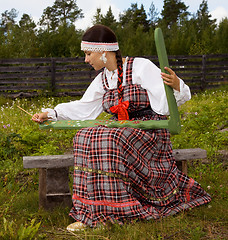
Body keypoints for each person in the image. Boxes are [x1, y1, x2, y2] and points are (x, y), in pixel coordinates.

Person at [32, 24, 211, 231]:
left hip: (149, 133)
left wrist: (176, 85)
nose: (86, 59)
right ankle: (91, 212)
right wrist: (51, 113)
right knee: (84, 136)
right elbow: (83, 108)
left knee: (109, 139)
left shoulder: (140, 67)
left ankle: (115, 211)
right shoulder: (103, 80)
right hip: (121, 130)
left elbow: (165, 103)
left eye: (89, 53)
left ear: (104, 52)